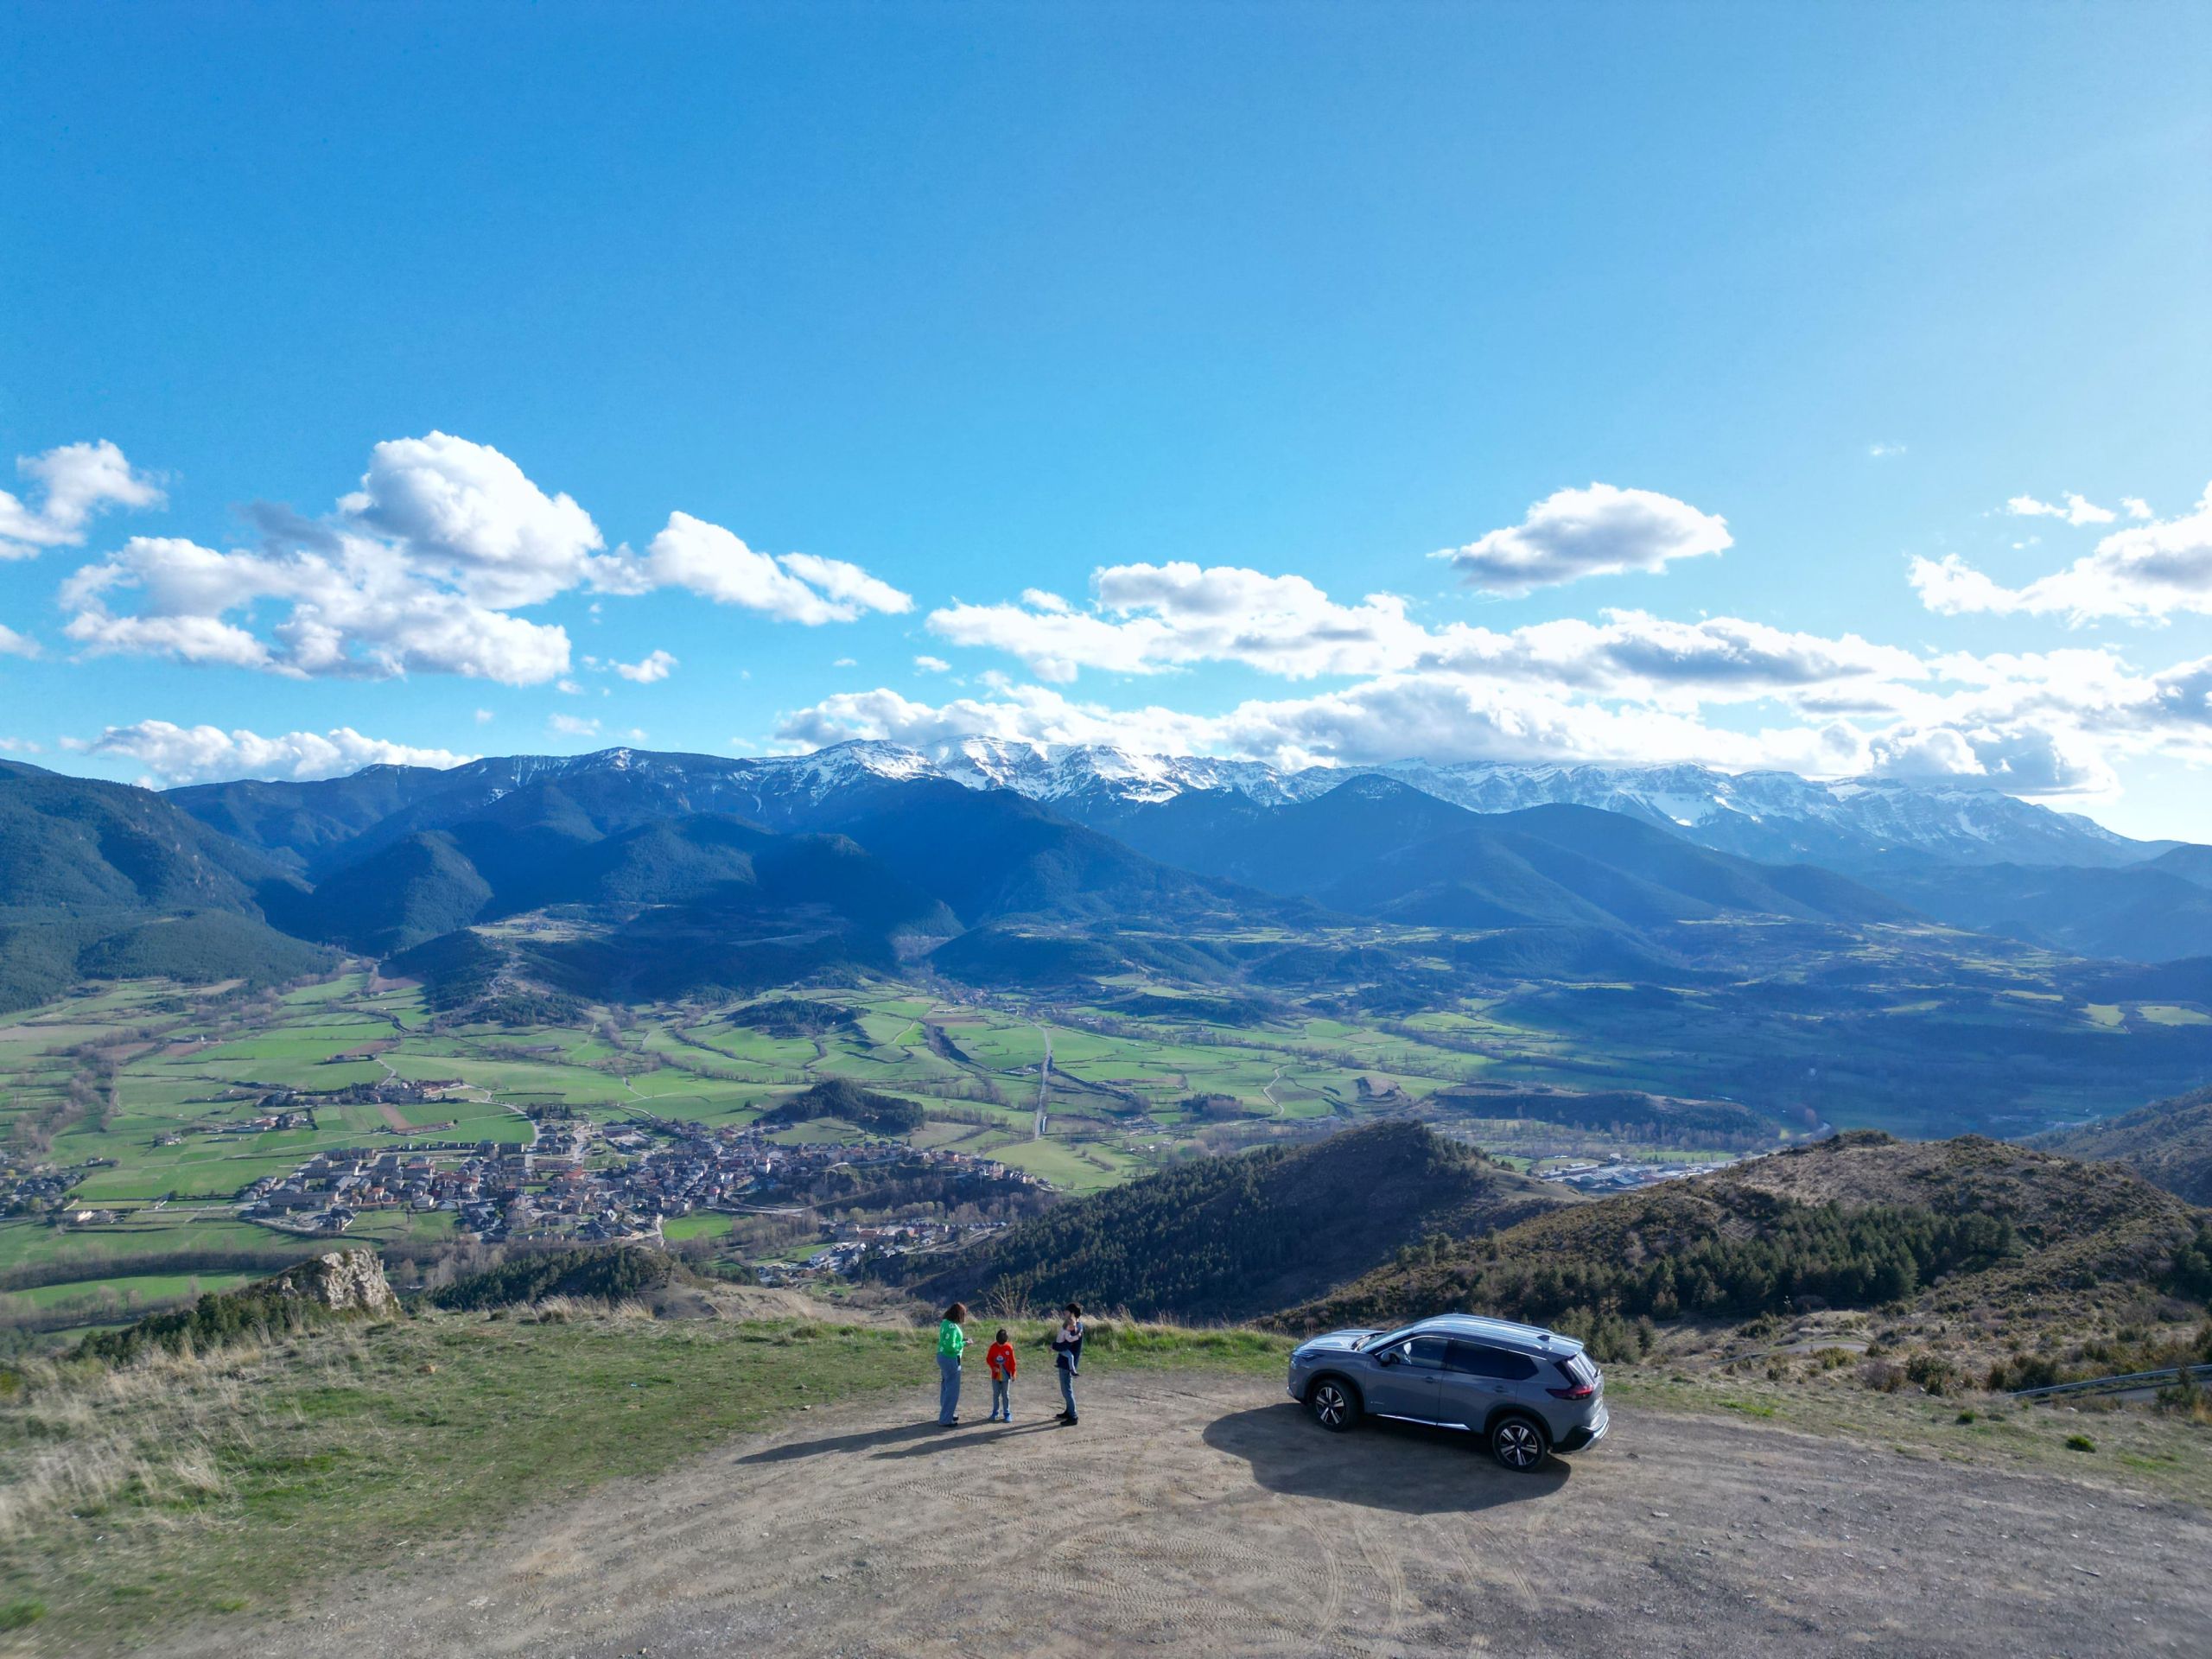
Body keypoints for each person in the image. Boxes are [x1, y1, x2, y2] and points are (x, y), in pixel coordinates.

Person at [1051, 1302, 1085, 1425]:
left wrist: (1054, 1346)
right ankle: (1068, 1411)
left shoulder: (1076, 1327)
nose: (1064, 1313)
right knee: (1065, 1389)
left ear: (1072, 1313)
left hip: (1067, 1363)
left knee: (1067, 1390)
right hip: (1065, 1361)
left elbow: (1066, 1344)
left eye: (1066, 1311)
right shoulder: (1075, 1325)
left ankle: (1073, 1416)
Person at [936, 1301, 968, 1427]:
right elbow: (951, 1347)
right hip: (951, 1359)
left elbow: (947, 1341)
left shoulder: (945, 1323)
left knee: (946, 1386)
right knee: (952, 1390)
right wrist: (965, 1343)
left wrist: (961, 1341)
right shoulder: (953, 1327)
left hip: (942, 1356)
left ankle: (946, 1413)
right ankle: (945, 1419)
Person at [986, 1326, 1017, 1422]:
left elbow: (1013, 1362)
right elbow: (988, 1359)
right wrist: (993, 1367)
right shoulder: (993, 1347)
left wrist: (1014, 1373)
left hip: (1006, 1376)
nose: (1000, 1346)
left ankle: (1007, 1413)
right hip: (995, 1377)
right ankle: (995, 1412)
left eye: (1002, 1344)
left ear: (1006, 1341)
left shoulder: (1009, 1348)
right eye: (998, 1344)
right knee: (996, 1394)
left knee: (1005, 1395)